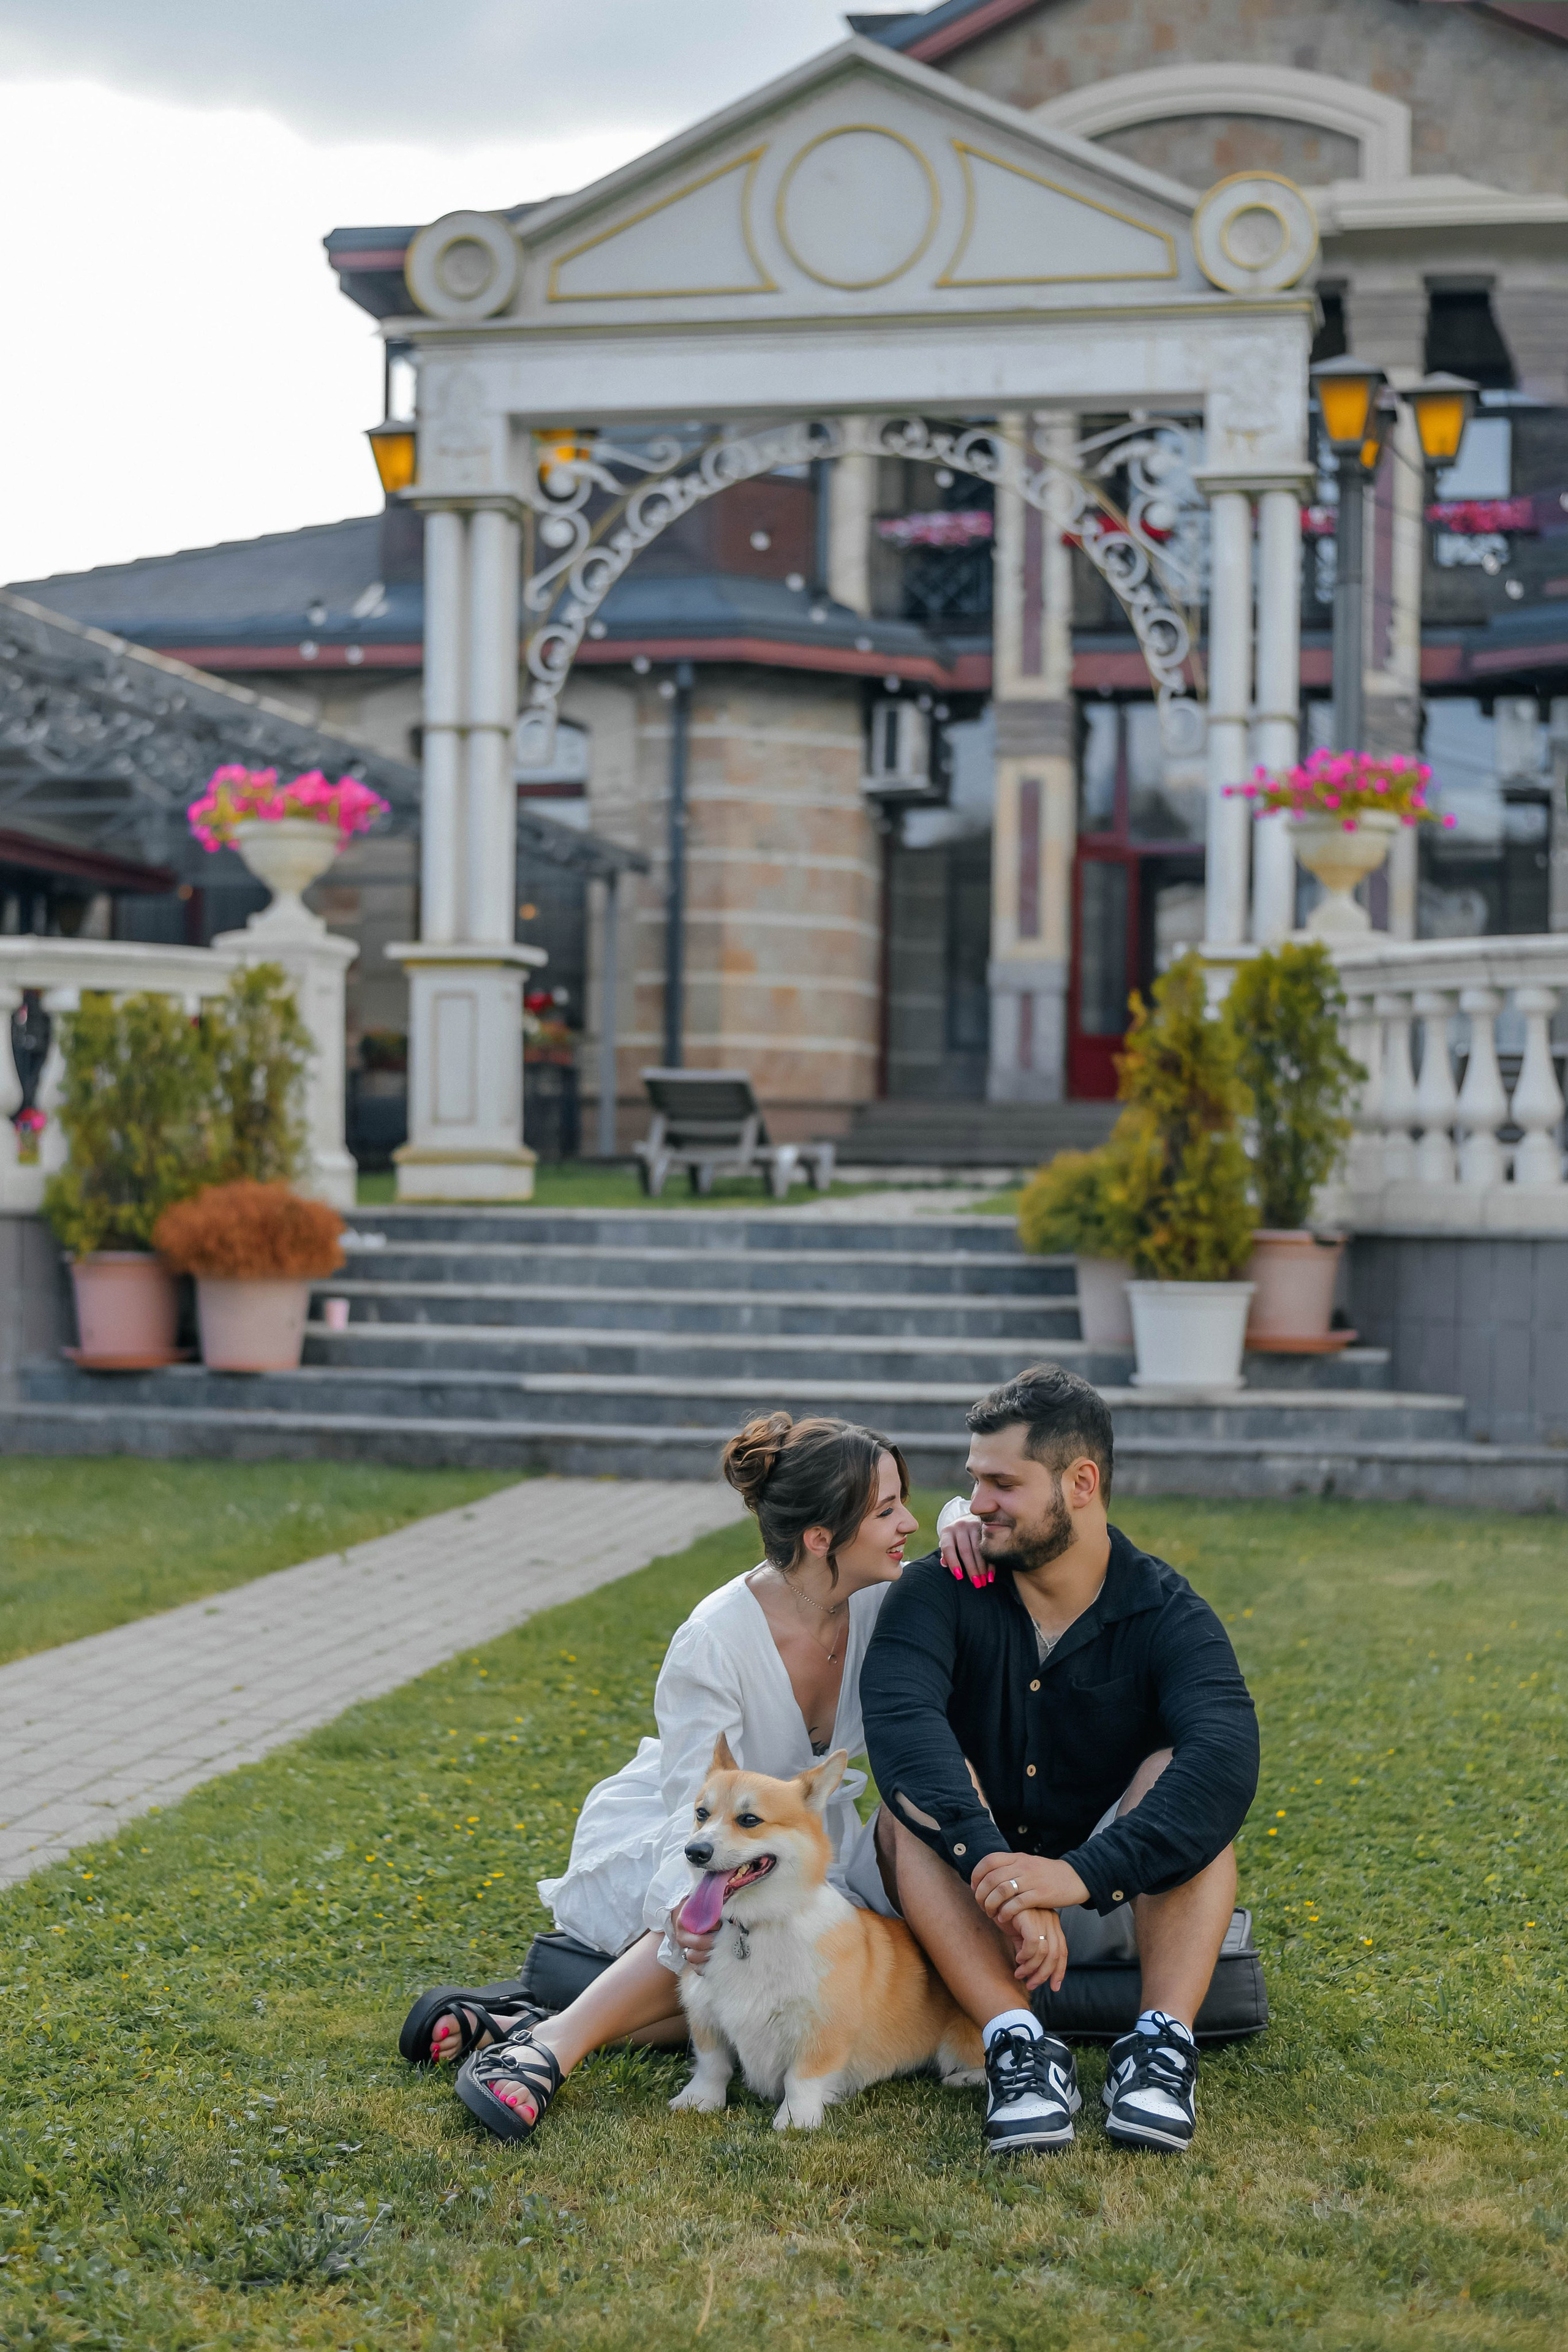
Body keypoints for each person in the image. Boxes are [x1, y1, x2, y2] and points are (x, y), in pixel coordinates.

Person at [401, 1412, 960, 2141]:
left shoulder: (883, 1598)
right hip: (698, 1828)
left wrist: (959, 1521)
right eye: (888, 1510)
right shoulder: (713, 1639)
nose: (909, 1523)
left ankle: (510, 2018)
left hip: (808, 1840)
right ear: (821, 1539)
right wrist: (687, 1909)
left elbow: (965, 1522)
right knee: (721, 1937)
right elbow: (689, 1817)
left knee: (778, 1981)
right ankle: (550, 2047)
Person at [860, 1362, 1259, 2160]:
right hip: (962, 1885)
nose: (977, 1504)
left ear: (1080, 1482)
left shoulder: (1166, 1612)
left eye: (1003, 1483)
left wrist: (1075, 1877)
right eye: (975, 1482)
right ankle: (1017, 2045)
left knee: (1187, 1787)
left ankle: (1159, 2048)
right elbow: (903, 1731)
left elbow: (1226, 1756)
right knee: (911, 1810)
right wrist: (1002, 1873)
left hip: (1111, 1890)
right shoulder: (938, 1591)